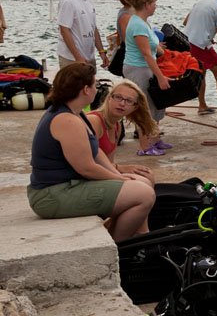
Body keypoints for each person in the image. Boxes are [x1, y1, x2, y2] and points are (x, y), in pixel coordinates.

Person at [26, 62, 154, 242]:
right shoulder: (66, 120)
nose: (97, 89)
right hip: (52, 194)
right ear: (86, 89)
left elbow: (95, 153)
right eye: (94, 84)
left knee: (142, 182)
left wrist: (117, 174)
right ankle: (119, 247)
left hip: (67, 186)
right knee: (143, 195)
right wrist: (119, 179)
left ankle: (134, 236)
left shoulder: (77, 114)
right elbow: (86, 168)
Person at [121, 0, 171, 155]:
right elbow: (146, 54)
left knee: (155, 104)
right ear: (146, 5)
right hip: (138, 69)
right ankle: (144, 146)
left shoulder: (144, 23)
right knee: (144, 108)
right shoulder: (137, 25)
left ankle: (155, 139)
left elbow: (153, 47)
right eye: (154, 3)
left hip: (146, 67)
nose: (156, 6)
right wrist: (160, 77)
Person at [85, 81, 159, 177]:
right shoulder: (94, 120)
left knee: (147, 175)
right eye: (118, 97)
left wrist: (120, 170)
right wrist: (121, 172)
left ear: (135, 107)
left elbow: (109, 163)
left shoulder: (117, 127)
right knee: (141, 182)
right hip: (83, 175)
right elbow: (86, 163)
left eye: (129, 101)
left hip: (102, 172)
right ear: (109, 98)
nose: (122, 103)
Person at [57, 0, 108, 68]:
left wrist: (101, 51)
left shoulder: (88, 1)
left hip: (89, 56)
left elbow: (93, 28)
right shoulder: (68, 1)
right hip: (71, 58)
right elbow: (64, 30)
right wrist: (78, 57)